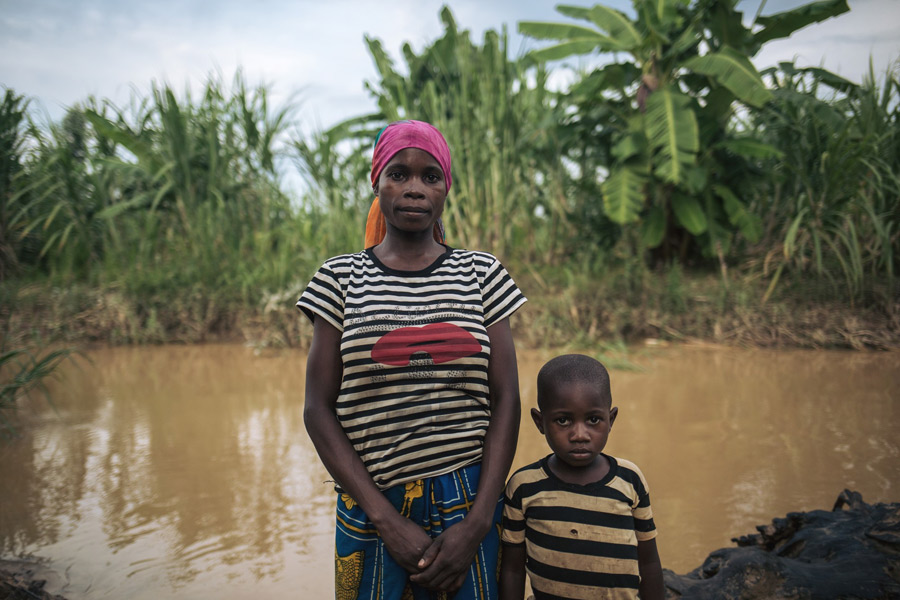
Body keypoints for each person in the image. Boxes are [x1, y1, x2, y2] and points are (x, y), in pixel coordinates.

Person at [298, 119, 526, 600]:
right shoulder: (339, 280)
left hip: (470, 499)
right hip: (372, 503)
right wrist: (385, 519)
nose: (415, 189)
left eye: (430, 176)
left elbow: (507, 399)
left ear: (447, 187)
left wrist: (481, 519)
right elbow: (318, 408)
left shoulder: (482, 274)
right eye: (398, 175)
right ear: (376, 183)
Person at [499, 354, 664, 600]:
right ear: (540, 421)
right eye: (563, 420)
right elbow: (512, 570)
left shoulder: (630, 480)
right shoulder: (524, 487)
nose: (579, 435)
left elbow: (649, 563)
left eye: (593, 420)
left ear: (611, 420)